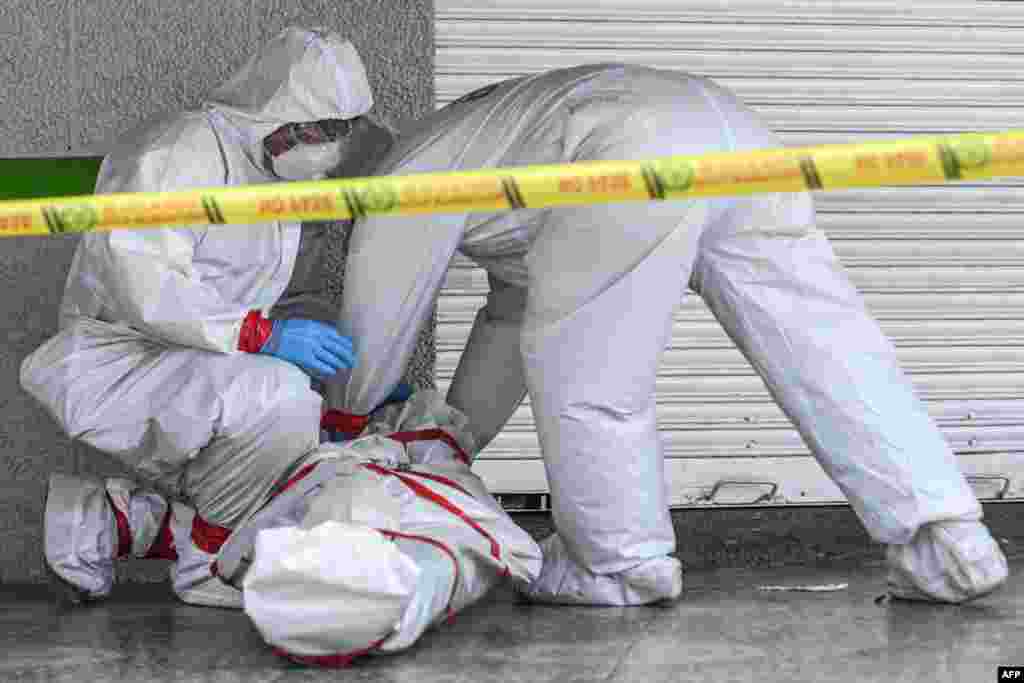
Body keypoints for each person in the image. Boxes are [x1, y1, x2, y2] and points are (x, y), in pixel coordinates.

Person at [325, 64, 1009, 606]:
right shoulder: (478, 144)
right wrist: (457, 434)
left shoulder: (397, 181)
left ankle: (616, 565)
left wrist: (346, 421)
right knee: (827, 346)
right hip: (728, 128)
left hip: (631, 147)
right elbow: (508, 316)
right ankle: (946, 539)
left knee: (584, 362)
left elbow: (375, 324)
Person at [20, 27, 409, 609]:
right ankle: (209, 567)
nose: (331, 155)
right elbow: (142, 281)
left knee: (292, 443)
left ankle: (106, 521)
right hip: (117, 360)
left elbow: (275, 293)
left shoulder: (273, 173)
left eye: (341, 137)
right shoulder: (177, 154)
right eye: (324, 136)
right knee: (279, 399)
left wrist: (360, 362)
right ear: (282, 122)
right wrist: (262, 335)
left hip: (197, 360)